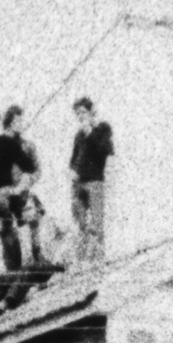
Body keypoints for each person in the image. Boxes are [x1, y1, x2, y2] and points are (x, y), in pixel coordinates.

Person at [68, 97, 112, 266]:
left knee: (97, 223)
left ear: (91, 111)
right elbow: (74, 158)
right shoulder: (79, 135)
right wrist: (72, 171)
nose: (80, 116)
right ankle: (84, 261)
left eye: (83, 112)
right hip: (79, 183)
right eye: (77, 113)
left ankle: (99, 261)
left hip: (94, 182)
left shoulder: (102, 129)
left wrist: (90, 132)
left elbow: (106, 150)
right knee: (80, 223)